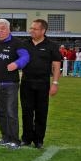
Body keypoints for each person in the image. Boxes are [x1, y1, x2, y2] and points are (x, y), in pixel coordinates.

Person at [0, 19, 29, 149]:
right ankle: (5, 137)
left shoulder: (17, 42)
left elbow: (25, 56)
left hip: (11, 83)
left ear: (9, 29)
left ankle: (15, 140)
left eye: (3, 28)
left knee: (11, 112)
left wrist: (17, 64)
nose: (0, 31)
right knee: (1, 112)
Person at [20, 19, 61, 149]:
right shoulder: (24, 44)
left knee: (41, 112)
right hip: (26, 83)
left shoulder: (51, 45)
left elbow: (56, 65)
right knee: (27, 112)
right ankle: (26, 138)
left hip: (43, 84)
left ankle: (38, 140)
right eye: (31, 28)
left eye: (35, 29)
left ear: (43, 30)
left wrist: (55, 83)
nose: (31, 30)